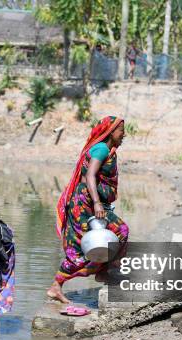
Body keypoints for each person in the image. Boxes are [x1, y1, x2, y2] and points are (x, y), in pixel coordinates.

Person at [47, 116, 130, 304]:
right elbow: (91, 176)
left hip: (90, 202)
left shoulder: (108, 150)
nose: (124, 134)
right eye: (121, 130)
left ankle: (104, 272)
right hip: (85, 203)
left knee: (118, 232)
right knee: (84, 247)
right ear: (110, 132)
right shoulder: (101, 149)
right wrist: (97, 203)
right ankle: (56, 286)